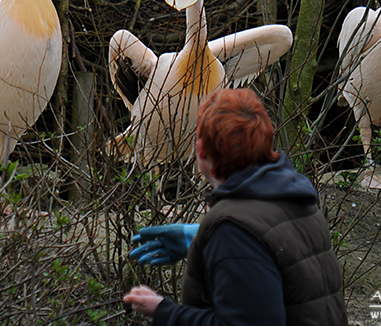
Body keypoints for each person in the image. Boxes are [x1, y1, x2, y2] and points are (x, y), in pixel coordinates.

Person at [123, 88, 348, 325]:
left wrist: (164, 311)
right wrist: (200, 239)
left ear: (200, 149)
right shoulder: (295, 198)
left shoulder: (234, 230)